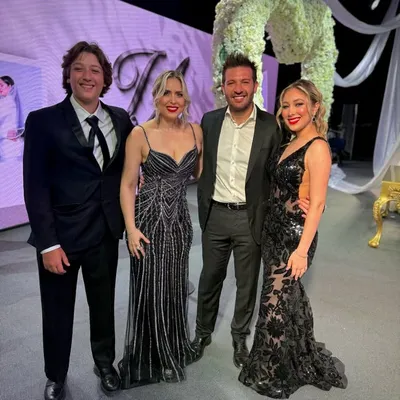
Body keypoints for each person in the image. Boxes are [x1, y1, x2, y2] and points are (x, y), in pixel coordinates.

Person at [23, 41, 133, 400]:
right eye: (79, 68)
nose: (88, 76)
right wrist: (47, 243)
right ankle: (56, 375)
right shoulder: (43, 121)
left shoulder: (121, 119)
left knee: (103, 307)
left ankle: (105, 364)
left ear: (105, 79)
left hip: (105, 233)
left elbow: (128, 168)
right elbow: (35, 186)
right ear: (68, 75)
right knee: (57, 312)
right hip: (62, 239)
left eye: (95, 70)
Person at [191, 53, 309, 368]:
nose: (238, 88)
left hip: (251, 218)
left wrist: (304, 192)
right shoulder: (210, 121)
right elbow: (200, 164)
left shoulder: (272, 126)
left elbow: (288, 163)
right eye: (231, 82)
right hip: (215, 215)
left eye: (245, 81)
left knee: (246, 284)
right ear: (223, 87)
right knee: (209, 279)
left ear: (255, 85)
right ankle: (202, 334)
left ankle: (239, 337)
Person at [238, 79, 348, 398]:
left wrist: (301, 251)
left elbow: (318, 203)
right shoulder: (289, 141)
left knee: (273, 304)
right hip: (273, 231)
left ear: (315, 107)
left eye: (299, 104)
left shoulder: (318, 147)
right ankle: (296, 354)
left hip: (294, 238)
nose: (290, 111)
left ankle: (270, 374)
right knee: (285, 299)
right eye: (285, 105)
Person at [118, 70, 203, 388]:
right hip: (148, 222)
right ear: (155, 97)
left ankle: (173, 346)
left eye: (179, 93)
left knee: (175, 286)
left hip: (180, 221)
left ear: (186, 99)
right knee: (151, 287)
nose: (173, 99)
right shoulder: (140, 134)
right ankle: (155, 355)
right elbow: (128, 185)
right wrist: (131, 228)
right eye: (166, 92)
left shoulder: (196, 131)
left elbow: (201, 174)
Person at [0, 75, 24, 160]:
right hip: (8, 140)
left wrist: (14, 133)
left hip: (9, 142)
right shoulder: (8, 101)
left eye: (1, 85)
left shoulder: (8, 102)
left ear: (9, 86)